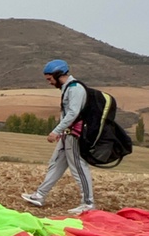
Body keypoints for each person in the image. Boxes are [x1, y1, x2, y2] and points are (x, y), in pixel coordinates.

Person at [21, 60, 95, 215]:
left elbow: (73, 113)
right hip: (67, 135)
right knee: (55, 164)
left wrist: (56, 131)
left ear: (57, 74)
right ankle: (40, 195)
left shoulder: (75, 89)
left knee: (79, 168)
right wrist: (61, 132)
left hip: (75, 136)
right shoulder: (67, 88)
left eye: (50, 79)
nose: (49, 82)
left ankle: (88, 203)